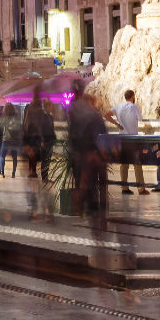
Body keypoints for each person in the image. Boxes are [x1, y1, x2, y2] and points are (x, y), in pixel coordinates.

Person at [68, 81, 108, 225]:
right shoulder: (92, 113)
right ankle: (96, 213)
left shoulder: (73, 110)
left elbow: (73, 134)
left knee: (84, 183)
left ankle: (89, 211)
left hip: (80, 153)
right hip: (91, 154)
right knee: (93, 184)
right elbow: (101, 133)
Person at [104, 88, 148, 195]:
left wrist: (117, 124)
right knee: (137, 163)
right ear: (132, 97)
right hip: (133, 139)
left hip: (122, 139)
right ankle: (141, 188)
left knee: (124, 164)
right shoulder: (134, 107)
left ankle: (124, 188)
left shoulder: (119, 107)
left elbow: (106, 115)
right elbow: (140, 119)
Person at [22, 91, 56, 220]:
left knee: (33, 174)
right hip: (34, 147)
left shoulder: (33, 119)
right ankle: (34, 208)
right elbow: (32, 133)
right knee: (32, 174)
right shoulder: (37, 118)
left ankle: (34, 209)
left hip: (35, 146)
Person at [0, 101, 21, 178]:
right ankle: (13, 173)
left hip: (5, 140)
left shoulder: (3, 118)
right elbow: (19, 128)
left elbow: (0, 129)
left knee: (2, 156)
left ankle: (2, 172)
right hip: (14, 140)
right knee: (14, 157)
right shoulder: (16, 118)